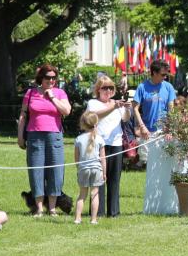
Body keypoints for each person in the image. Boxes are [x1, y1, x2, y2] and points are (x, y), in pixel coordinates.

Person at [17, 64, 71, 217]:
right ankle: (39, 208)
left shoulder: (60, 93)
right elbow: (23, 115)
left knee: (56, 171)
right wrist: (20, 136)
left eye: (54, 78)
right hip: (34, 136)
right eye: (48, 77)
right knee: (36, 171)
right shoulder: (31, 93)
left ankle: (52, 208)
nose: (51, 80)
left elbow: (66, 111)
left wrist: (52, 96)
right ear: (41, 78)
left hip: (55, 136)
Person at [132, 59, 178, 215]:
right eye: (162, 74)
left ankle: (168, 204)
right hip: (148, 132)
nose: (165, 77)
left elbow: (171, 109)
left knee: (166, 168)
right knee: (152, 169)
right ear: (154, 73)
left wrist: (170, 128)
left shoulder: (168, 87)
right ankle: (152, 206)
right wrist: (142, 126)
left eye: (166, 74)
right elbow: (135, 108)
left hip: (164, 132)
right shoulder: (142, 87)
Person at [86, 76, 130, 217]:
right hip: (99, 145)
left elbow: (125, 119)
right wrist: (114, 107)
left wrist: (127, 109)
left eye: (111, 88)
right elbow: (96, 116)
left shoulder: (116, 104)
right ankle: (98, 211)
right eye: (105, 88)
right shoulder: (93, 103)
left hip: (116, 144)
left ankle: (114, 212)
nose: (108, 90)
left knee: (114, 179)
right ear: (98, 89)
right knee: (99, 178)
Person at [74, 111, 106, 225]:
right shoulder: (100, 139)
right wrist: (104, 173)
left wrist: (79, 169)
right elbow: (103, 158)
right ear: (96, 123)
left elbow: (76, 159)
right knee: (95, 194)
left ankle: (77, 219)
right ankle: (93, 219)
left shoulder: (78, 139)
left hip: (83, 169)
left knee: (82, 195)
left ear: (83, 124)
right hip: (97, 169)